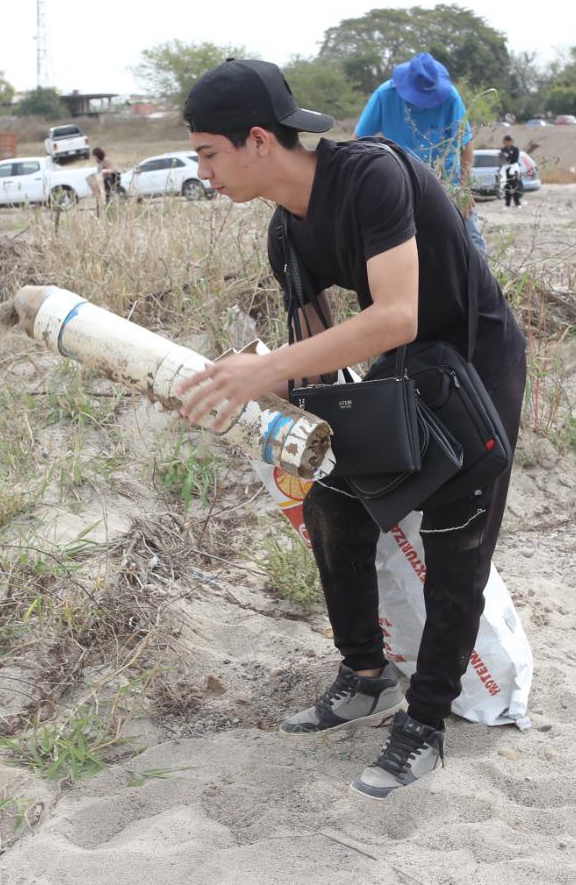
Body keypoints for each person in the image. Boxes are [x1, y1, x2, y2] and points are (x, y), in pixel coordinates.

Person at [174, 58, 527, 800]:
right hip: (402, 366)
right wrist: (252, 400)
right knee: (331, 497)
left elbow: (396, 311)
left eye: (209, 151)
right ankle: (367, 676)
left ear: (260, 141)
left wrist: (262, 375)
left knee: (457, 542)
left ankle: (426, 724)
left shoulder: (371, 175)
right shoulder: (285, 236)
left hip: (473, 357)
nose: (203, 170)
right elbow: (315, 371)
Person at [354, 52, 484, 255]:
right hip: (403, 182)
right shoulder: (385, 96)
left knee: (470, 237)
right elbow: (358, 141)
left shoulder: (450, 97)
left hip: (447, 182)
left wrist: (464, 188)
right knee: (407, 244)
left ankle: (485, 281)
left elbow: (465, 143)